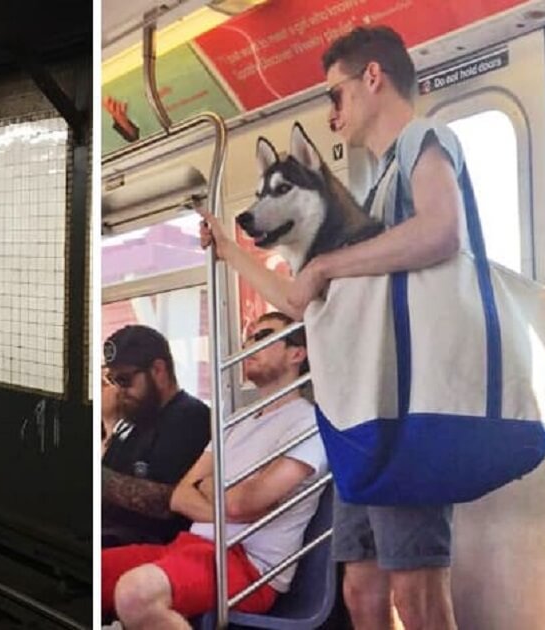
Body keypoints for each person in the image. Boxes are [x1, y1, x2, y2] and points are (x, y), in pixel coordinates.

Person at [200, 25, 467, 630]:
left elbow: (442, 230)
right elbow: (301, 302)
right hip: (359, 421)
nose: (331, 112)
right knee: (362, 591)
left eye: (335, 94)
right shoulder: (374, 193)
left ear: (372, 77)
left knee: (418, 597)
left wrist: (324, 265)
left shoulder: (427, 140)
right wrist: (229, 249)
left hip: (405, 414)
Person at [102, 312, 327, 628]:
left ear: (297, 354)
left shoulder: (310, 423)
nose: (249, 346)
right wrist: (227, 494)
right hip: (191, 547)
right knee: (95, 572)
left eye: (262, 337)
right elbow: (180, 497)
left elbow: (243, 502)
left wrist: (208, 485)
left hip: (248, 564)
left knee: (135, 594)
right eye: (247, 339)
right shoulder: (234, 422)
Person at [101, 325, 210, 548]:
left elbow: (167, 503)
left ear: (158, 370)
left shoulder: (191, 417)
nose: (119, 390)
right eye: (113, 381)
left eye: (125, 380)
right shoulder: (134, 416)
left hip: (149, 544)